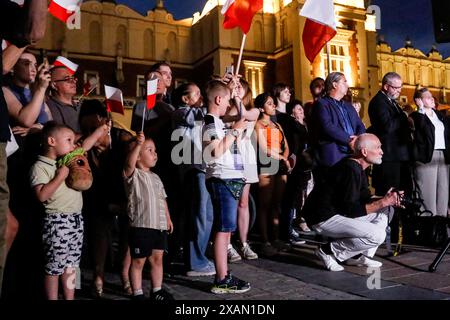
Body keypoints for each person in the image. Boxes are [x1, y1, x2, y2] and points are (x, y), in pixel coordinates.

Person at [30, 121, 109, 300]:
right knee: (54, 266)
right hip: (56, 221)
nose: (74, 145)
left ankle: (70, 297)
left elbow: (86, 145)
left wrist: (100, 130)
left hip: (75, 220)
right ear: (52, 141)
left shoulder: (67, 159)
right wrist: (59, 177)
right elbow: (42, 196)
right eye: (69, 140)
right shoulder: (40, 166)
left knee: (72, 264)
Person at [0, 0, 48, 296]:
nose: (31, 68)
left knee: (10, 227)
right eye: (25, 62)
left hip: (16, 159)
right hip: (19, 162)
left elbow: (32, 31)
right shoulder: (8, 89)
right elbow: (28, 118)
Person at [302, 134, 402, 272]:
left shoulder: (358, 167)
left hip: (339, 213)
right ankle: (327, 251)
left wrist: (388, 198)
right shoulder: (350, 169)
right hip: (323, 218)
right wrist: (383, 202)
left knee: (385, 211)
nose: (382, 151)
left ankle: (355, 256)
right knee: (377, 235)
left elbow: (364, 197)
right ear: (364, 152)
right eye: (378, 147)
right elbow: (350, 209)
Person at [79, 100, 133, 298]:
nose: (90, 131)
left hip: (123, 192)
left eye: (94, 127)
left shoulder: (121, 137)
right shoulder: (85, 140)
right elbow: (80, 149)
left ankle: (125, 275)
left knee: (130, 230)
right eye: (87, 128)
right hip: (97, 196)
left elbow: (137, 152)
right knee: (99, 230)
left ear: (105, 122)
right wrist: (93, 134)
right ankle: (98, 276)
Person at [202, 80, 250, 293]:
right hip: (222, 180)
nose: (229, 103)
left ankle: (224, 274)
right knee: (223, 231)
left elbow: (242, 118)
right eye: (228, 100)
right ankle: (221, 278)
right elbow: (215, 151)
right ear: (219, 99)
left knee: (226, 230)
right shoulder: (210, 123)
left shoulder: (218, 121)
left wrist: (237, 96)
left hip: (229, 179)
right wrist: (235, 132)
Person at [171, 82, 215, 276]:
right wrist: (215, 96)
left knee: (206, 215)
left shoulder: (195, 114)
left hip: (201, 168)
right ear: (185, 99)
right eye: (197, 93)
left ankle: (199, 258)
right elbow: (201, 114)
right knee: (199, 216)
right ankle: (196, 262)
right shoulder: (180, 113)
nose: (202, 96)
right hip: (192, 170)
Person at [123, 132, 174, 300]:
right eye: (149, 150)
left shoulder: (157, 177)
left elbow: (163, 198)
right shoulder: (133, 175)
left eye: (155, 150)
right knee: (138, 261)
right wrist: (138, 144)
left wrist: (167, 217)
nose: (155, 153)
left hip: (158, 225)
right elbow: (129, 164)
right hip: (142, 224)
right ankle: (137, 292)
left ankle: (157, 290)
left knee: (157, 259)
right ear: (138, 156)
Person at [223, 77, 259, 263]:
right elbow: (226, 118)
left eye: (240, 87)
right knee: (230, 201)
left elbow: (244, 115)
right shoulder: (227, 108)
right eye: (235, 87)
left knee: (243, 203)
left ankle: (243, 242)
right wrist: (229, 94)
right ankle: (227, 245)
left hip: (246, 156)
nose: (237, 89)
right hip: (230, 155)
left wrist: (236, 98)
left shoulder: (254, 110)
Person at [310, 72, 365, 185]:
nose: (347, 84)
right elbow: (327, 127)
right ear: (335, 85)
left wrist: (359, 139)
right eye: (344, 81)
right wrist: (350, 140)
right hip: (333, 156)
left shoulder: (348, 105)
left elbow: (360, 125)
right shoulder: (321, 104)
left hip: (351, 153)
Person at [255, 92, 292, 256]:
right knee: (265, 204)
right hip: (267, 163)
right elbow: (264, 149)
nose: (274, 105)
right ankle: (264, 240)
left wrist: (286, 158)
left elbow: (286, 145)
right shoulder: (258, 125)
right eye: (270, 103)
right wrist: (282, 158)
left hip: (280, 164)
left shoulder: (277, 125)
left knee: (277, 203)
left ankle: (275, 238)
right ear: (261, 107)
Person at [368, 72, 412, 196]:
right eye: (396, 88)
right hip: (389, 157)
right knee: (389, 195)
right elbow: (387, 126)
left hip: (399, 155)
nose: (399, 91)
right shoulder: (379, 102)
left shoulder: (392, 101)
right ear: (386, 86)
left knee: (402, 194)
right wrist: (404, 115)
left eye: (400, 87)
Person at [410, 88, 450, 216]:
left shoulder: (439, 115)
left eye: (431, 96)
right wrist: (421, 109)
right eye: (427, 97)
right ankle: (429, 222)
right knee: (428, 191)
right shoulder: (416, 116)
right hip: (426, 156)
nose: (432, 98)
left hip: (442, 155)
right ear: (419, 100)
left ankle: (442, 223)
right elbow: (420, 128)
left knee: (443, 190)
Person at [47, 64, 80, 133]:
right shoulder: (49, 107)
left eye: (73, 78)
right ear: (54, 85)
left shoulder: (81, 105)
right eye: (67, 79)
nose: (73, 81)